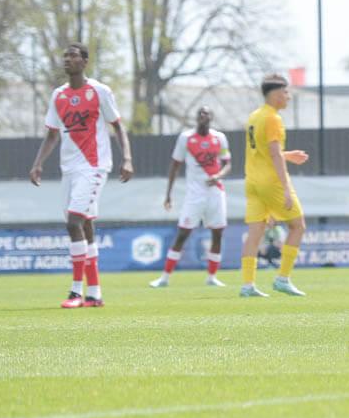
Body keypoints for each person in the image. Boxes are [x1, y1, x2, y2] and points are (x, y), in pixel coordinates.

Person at [29, 42, 133, 308]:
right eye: (65, 55)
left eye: (73, 55)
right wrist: (38, 163)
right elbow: (52, 134)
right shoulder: (58, 95)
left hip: (94, 166)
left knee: (73, 223)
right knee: (84, 225)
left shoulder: (99, 91)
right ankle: (95, 294)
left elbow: (117, 126)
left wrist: (127, 158)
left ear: (85, 61)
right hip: (69, 169)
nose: (67, 59)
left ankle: (76, 292)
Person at [239, 73, 310, 297]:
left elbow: (261, 151)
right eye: (286, 92)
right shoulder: (273, 118)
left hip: (252, 182)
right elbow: (273, 153)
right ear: (275, 94)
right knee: (298, 227)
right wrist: (286, 188)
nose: (288, 96)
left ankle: (248, 286)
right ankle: (282, 279)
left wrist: (287, 155)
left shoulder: (255, 116)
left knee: (255, 233)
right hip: (271, 183)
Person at [150, 106, 231, 288]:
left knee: (217, 233)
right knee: (183, 234)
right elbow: (175, 165)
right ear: (196, 118)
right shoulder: (186, 138)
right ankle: (164, 278)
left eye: (206, 113)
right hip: (194, 195)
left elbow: (228, 164)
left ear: (211, 117)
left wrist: (218, 176)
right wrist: (168, 194)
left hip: (215, 192)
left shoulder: (220, 138)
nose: (203, 115)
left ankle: (211, 278)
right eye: (200, 113)